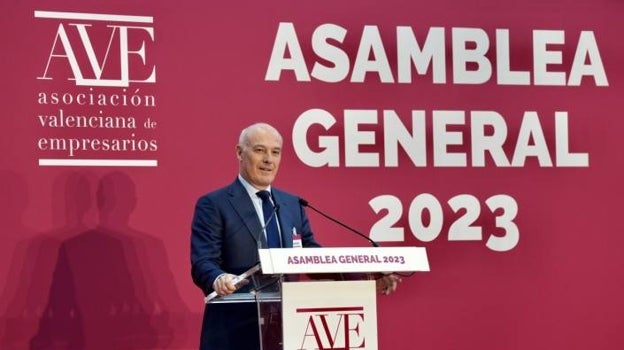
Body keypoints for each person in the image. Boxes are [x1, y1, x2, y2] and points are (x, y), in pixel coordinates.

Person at [190, 122, 401, 350]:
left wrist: (366, 277)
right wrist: (218, 278)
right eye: (260, 150)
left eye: (275, 152)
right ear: (240, 152)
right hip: (234, 329)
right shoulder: (214, 204)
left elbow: (311, 257)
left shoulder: (291, 204)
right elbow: (203, 261)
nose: (268, 159)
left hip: (288, 327)